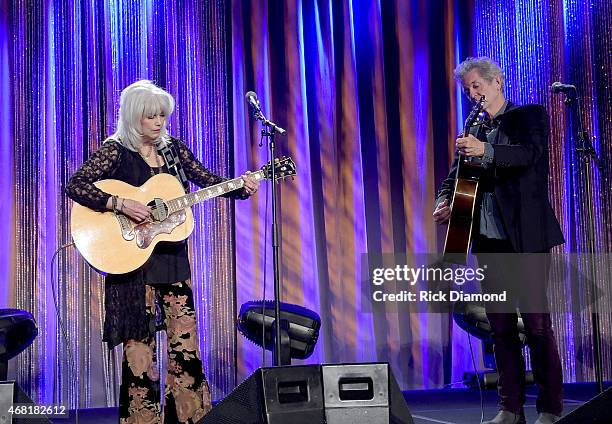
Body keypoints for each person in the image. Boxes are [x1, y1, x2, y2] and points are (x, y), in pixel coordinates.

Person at [66, 80, 259, 423]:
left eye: (162, 117)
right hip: (131, 264)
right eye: (150, 117)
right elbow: (76, 184)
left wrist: (240, 188)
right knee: (139, 351)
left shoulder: (173, 150)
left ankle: (190, 418)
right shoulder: (115, 151)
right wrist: (119, 202)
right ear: (133, 117)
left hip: (171, 260)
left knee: (185, 346)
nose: (158, 123)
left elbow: (206, 180)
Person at [433, 57, 565, 424]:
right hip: (488, 241)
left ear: (497, 83)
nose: (472, 94)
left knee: (537, 327)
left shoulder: (528, 115)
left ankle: (551, 408)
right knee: (501, 328)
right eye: (467, 90)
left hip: (525, 238)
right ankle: (510, 408)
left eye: (477, 86)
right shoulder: (472, 126)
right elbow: (455, 174)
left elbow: (530, 156)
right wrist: (445, 200)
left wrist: (486, 151)